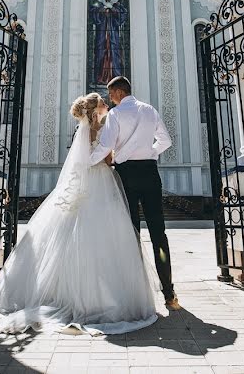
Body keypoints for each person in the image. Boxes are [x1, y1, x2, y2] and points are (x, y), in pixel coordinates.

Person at [0, 93, 158, 335]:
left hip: (83, 184)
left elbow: (81, 159)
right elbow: (105, 159)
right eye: (103, 103)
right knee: (105, 235)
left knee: (73, 232)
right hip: (102, 184)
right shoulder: (104, 130)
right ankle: (99, 297)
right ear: (96, 111)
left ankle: (63, 292)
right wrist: (119, 159)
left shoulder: (83, 131)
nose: (107, 105)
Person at [90, 76, 181, 311]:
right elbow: (166, 140)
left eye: (110, 95)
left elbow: (105, 146)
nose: (110, 100)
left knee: (131, 233)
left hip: (126, 175)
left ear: (118, 93)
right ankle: (169, 292)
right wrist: (150, 152)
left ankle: (135, 293)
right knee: (158, 233)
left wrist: (86, 162)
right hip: (150, 174)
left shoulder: (116, 115)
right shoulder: (150, 110)